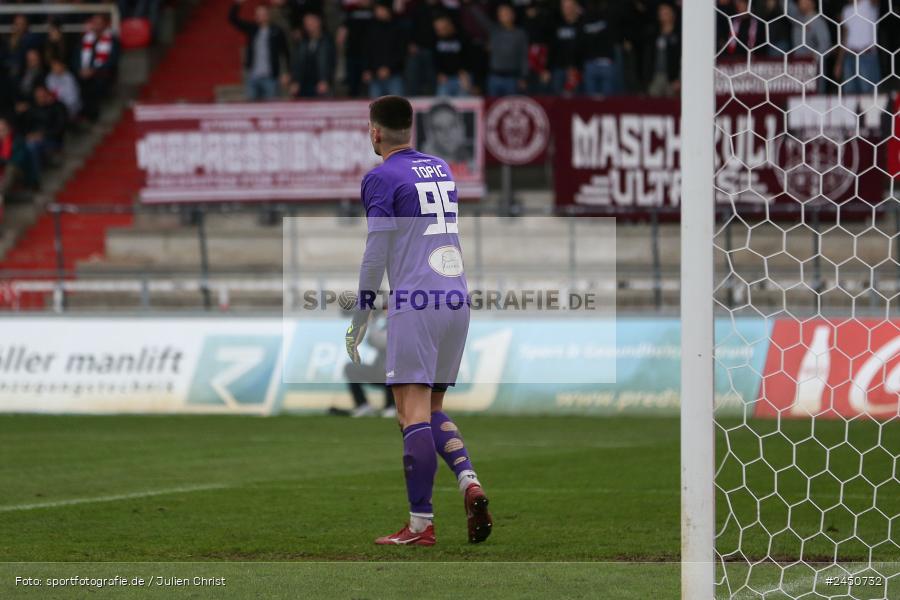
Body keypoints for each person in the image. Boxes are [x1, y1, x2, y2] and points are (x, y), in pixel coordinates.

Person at [345, 95, 492, 546]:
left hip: (417, 300)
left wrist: (362, 310)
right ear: (412, 129)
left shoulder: (380, 177)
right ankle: (468, 480)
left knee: (410, 416)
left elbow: (377, 251)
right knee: (431, 410)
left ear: (374, 132)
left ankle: (420, 526)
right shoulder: (441, 168)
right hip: (457, 298)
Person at [335, 307, 396, 417]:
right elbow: (371, 341)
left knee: (390, 369)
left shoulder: (402, 326)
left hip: (396, 375)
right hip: (379, 372)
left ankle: (391, 406)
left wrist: (371, 320)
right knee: (350, 368)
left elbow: (382, 341)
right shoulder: (387, 325)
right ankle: (363, 405)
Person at [228, 0, 291, 101]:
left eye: (263, 13)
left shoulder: (277, 31)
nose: (260, 16)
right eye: (258, 14)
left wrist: (286, 72)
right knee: (252, 110)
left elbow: (285, 53)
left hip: (271, 77)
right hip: (253, 77)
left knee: (271, 109)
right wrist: (237, 4)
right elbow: (232, 19)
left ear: (268, 15)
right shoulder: (252, 29)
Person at [471, 3, 529, 97]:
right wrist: (471, 5)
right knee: (494, 108)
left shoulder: (520, 34)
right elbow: (481, 18)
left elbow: (524, 56)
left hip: (512, 78)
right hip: (494, 77)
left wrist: (523, 77)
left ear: (513, 14)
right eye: (501, 14)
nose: (504, 15)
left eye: (506, 13)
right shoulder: (494, 30)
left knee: (511, 107)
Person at [79, 14, 119, 121]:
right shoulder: (85, 38)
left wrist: (94, 71)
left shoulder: (112, 40)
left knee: (94, 84)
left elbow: (112, 60)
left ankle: (91, 116)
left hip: (102, 74)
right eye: (94, 23)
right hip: (84, 72)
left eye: (99, 23)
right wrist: (80, 69)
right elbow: (76, 56)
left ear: (105, 25)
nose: (96, 26)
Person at [834, 0, 879, 94]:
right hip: (849, 56)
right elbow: (844, 37)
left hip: (866, 56)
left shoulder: (869, 4)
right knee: (849, 93)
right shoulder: (846, 10)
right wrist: (839, 63)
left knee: (867, 95)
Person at [362, 2, 406, 97]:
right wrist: (367, 69)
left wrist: (389, 68)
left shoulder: (398, 28)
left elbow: (401, 52)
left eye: (381, 9)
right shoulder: (371, 28)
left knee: (397, 106)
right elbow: (367, 51)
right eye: (377, 10)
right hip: (375, 76)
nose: (378, 12)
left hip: (394, 75)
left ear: (388, 10)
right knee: (375, 109)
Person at [289, 13, 336, 97]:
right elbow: (297, 62)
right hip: (303, 85)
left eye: (311, 23)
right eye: (306, 24)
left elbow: (331, 62)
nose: (309, 26)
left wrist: (325, 80)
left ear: (318, 23)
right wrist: (295, 81)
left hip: (320, 84)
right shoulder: (302, 42)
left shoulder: (327, 41)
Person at [643, 2, 680, 97]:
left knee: (672, 106)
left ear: (672, 14)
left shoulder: (679, 34)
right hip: (656, 76)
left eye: (665, 13)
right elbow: (649, 56)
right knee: (654, 105)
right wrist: (648, 78)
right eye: (661, 13)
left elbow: (681, 57)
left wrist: (679, 78)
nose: (663, 15)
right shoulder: (654, 33)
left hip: (672, 77)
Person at [431, 15, 472, 97]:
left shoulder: (462, 37)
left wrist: (465, 72)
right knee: (442, 105)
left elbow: (470, 57)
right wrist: (438, 73)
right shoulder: (435, 39)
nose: (440, 31)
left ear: (449, 25)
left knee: (463, 105)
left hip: (461, 77)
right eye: (437, 29)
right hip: (445, 79)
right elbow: (434, 60)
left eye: (443, 28)